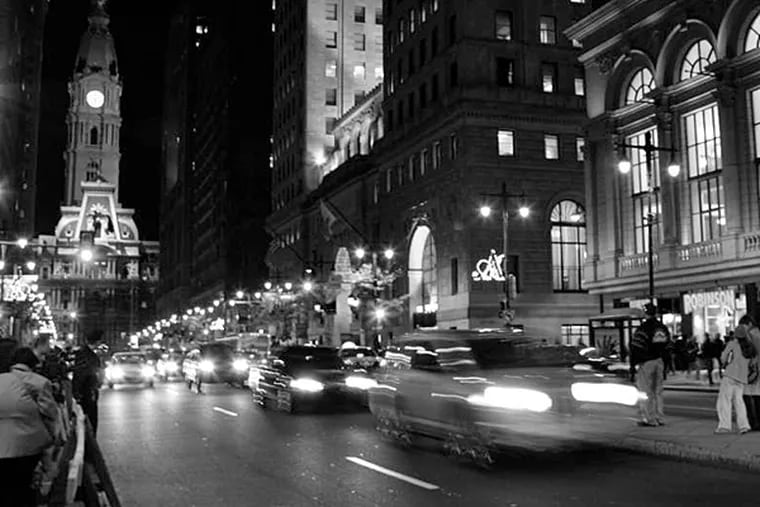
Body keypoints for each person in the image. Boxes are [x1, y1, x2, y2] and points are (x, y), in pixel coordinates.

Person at [0, 348, 60, 506]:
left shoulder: (2, 380)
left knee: (5, 489)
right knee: (24, 487)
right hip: (26, 446)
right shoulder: (39, 382)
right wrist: (52, 442)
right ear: (33, 365)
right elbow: (50, 415)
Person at [630, 303, 671, 427]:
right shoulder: (662, 328)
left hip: (646, 362)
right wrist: (666, 364)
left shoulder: (642, 329)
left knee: (646, 391)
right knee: (658, 391)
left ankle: (649, 419)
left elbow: (636, 347)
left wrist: (633, 366)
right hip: (660, 361)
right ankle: (660, 417)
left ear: (645, 313)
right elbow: (668, 347)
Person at [715, 325, 756, 434]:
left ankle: (724, 426)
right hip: (742, 378)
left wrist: (724, 363)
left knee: (724, 401)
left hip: (730, 375)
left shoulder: (732, 344)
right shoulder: (750, 346)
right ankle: (744, 425)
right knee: (739, 402)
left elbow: (723, 358)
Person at [72, 330, 104, 436]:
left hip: (87, 392)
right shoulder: (88, 355)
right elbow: (82, 375)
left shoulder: (83, 353)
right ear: (98, 342)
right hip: (87, 393)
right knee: (89, 422)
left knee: (88, 422)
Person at [739, 315, 760, 430]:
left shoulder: (751, 335)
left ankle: (752, 422)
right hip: (755, 369)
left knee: (747, 396)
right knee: (756, 396)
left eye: (744, 325)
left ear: (750, 324)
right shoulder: (756, 333)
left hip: (752, 370)